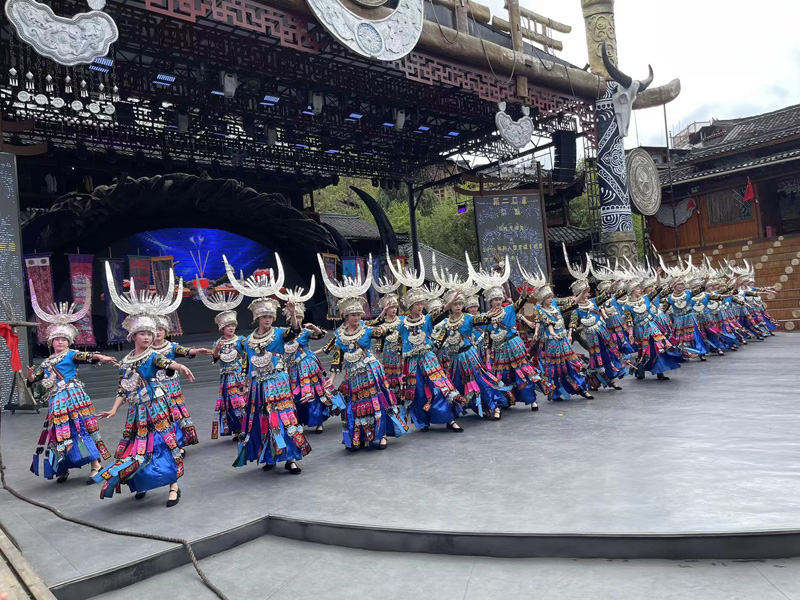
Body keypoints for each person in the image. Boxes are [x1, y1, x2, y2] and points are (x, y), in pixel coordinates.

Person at [94, 264, 195, 507]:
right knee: (138, 446)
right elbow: (123, 387)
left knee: (163, 443)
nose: (148, 337)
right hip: (137, 410)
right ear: (133, 336)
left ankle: (174, 486)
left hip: (156, 406)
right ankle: (143, 481)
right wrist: (114, 409)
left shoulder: (152, 356)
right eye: (143, 334)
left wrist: (181, 366)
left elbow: (165, 362)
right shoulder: (126, 361)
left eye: (150, 333)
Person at [224, 256, 310, 474]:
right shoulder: (248, 341)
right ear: (256, 318)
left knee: (284, 417)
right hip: (258, 386)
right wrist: (246, 383)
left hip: (278, 382)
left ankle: (291, 458)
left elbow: (295, 331)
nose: (268, 319)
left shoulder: (279, 334)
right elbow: (247, 365)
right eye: (264, 316)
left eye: (270, 316)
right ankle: (270, 455)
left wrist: (292, 314)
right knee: (262, 420)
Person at [27, 281, 116, 483]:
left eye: (64, 339)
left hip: (73, 397)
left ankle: (96, 464)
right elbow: (35, 379)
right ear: (51, 342)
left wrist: (100, 357)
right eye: (57, 339)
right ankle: (63, 466)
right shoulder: (46, 362)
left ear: (69, 341)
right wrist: (31, 377)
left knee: (81, 428)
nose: (60, 342)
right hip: (56, 402)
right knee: (59, 433)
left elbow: (86, 356)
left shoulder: (71, 354)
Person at [319, 255, 408, 449]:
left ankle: (382, 434)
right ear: (346, 316)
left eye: (359, 314)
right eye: (353, 315)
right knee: (357, 404)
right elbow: (338, 357)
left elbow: (379, 331)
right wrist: (332, 378)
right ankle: (361, 436)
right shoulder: (340, 335)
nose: (357, 318)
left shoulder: (366, 330)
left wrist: (384, 328)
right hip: (353, 375)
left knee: (377, 401)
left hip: (370, 371)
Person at [439, 290, 511, 420]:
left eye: (460, 303)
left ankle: (494, 405)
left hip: (469, 356)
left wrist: (488, 317)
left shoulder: (468, 318)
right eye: (455, 304)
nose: (458, 306)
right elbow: (439, 341)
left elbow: (480, 320)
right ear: (450, 306)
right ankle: (456, 409)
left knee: (479, 380)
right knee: (457, 382)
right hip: (455, 358)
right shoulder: (446, 323)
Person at [278, 283, 332, 434]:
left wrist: (313, 326)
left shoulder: (305, 332)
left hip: (307, 365)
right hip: (292, 367)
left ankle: (318, 420)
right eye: (296, 317)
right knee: (296, 393)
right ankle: (300, 420)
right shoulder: (284, 333)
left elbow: (321, 335)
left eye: (300, 317)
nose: (298, 320)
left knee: (314, 391)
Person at [196, 282, 248, 439]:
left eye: (232, 325)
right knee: (230, 404)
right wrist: (217, 350)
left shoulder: (241, 340)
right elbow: (215, 358)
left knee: (243, 401)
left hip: (240, 376)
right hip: (226, 378)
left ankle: (247, 427)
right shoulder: (217, 343)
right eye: (228, 326)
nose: (231, 328)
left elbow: (248, 355)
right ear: (222, 328)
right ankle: (237, 430)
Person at [151, 315, 210, 447]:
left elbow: (185, 351)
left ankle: (178, 442)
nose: (158, 332)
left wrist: (198, 350)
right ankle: (165, 443)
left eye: (161, 329)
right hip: (155, 388)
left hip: (171, 387)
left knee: (175, 413)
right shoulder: (148, 351)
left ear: (166, 331)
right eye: (155, 329)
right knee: (160, 414)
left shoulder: (171, 347)